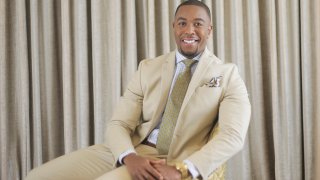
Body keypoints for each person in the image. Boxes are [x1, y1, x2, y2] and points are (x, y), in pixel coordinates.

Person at [26, 0, 251, 180]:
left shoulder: (227, 74)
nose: (189, 30)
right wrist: (128, 156)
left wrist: (184, 169)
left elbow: (232, 136)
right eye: (182, 23)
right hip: (132, 149)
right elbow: (119, 124)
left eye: (198, 24)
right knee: (36, 176)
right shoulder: (148, 68)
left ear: (209, 30)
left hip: (175, 158)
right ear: (174, 27)